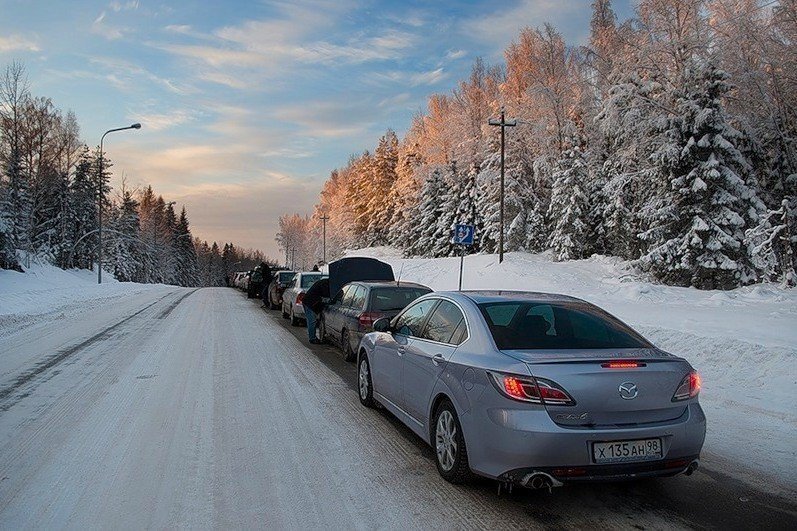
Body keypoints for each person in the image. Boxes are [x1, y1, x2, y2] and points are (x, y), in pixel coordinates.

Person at [302, 276, 329, 344]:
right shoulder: (325, 284)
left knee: (311, 321)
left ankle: (312, 337)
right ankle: (312, 338)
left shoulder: (323, 282)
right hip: (310, 303)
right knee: (312, 321)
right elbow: (326, 295)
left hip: (309, 302)